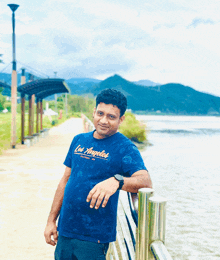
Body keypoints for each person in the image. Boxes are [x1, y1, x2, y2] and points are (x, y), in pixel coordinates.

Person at [44, 88, 152, 260]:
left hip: (94, 238)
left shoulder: (125, 147)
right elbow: (65, 180)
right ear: (93, 112)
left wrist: (117, 181)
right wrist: (51, 221)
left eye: (111, 117)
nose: (103, 120)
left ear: (121, 119)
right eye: (100, 113)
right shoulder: (79, 140)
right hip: (65, 230)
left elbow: (145, 181)